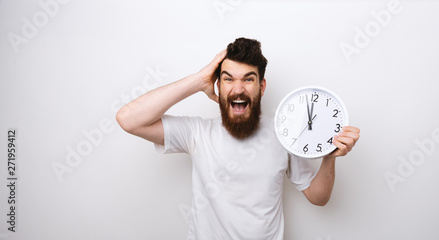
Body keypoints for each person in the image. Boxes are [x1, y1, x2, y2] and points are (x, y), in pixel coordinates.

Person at [116, 37, 360, 239]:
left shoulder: (286, 136)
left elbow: (318, 197)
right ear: (218, 87)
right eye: (228, 78)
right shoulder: (197, 133)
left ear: (261, 87)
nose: (238, 88)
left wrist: (330, 157)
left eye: (248, 79)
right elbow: (128, 119)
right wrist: (199, 80)